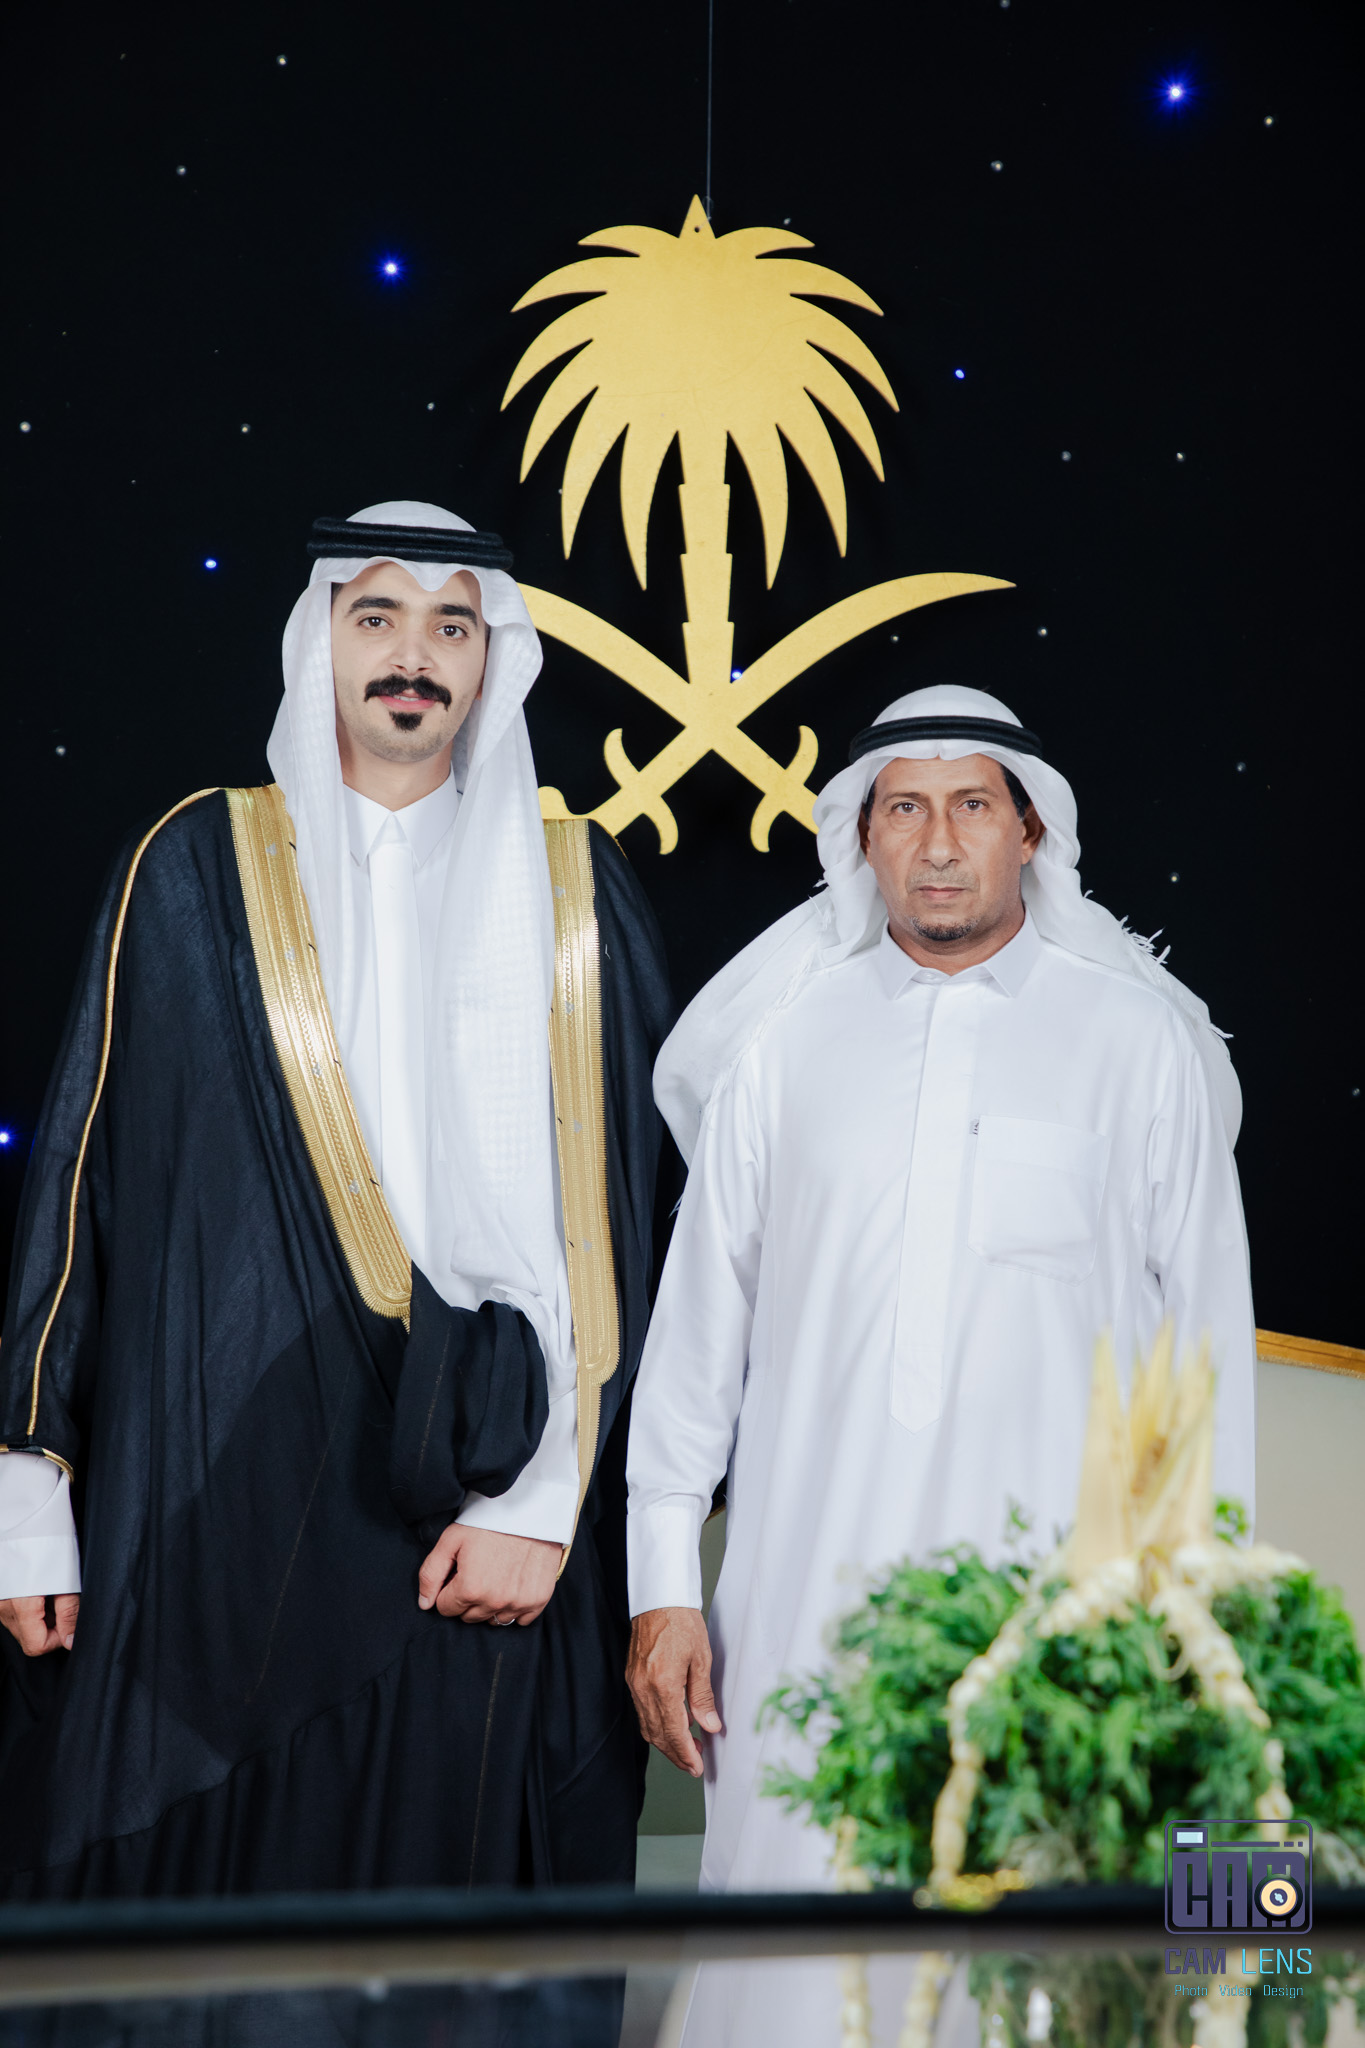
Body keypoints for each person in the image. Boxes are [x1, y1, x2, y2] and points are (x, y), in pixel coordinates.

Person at [0, 502, 672, 1900]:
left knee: (450, 1933)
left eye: (451, 626)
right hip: (225, 1500)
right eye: (377, 617)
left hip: (484, 1511)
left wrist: (548, 1499)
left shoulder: (573, 889)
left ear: (492, 660)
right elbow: (78, 1184)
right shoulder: (191, 865)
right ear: (321, 641)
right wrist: (27, 1490)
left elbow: (629, 1220)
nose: (412, 656)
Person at [625, 682, 1256, 1909]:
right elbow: (696, 1346)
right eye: (904, 808)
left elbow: (1207, 1360)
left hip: (1071, 1610)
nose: (940, 840)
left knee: (1061, 1938)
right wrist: (662, 1587)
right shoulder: (781, 1047)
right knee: (798, 1935)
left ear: (1032, 830)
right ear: (863, 838)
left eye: (973, 804)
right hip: (803, 1601)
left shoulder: (1136, 1045)